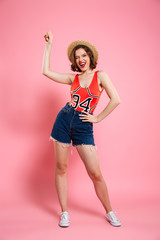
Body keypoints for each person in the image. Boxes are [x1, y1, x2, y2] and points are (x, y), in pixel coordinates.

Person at [42, 30, 121, 228]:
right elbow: (46, 71)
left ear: (90, 56)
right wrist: (49, 46)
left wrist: (97, 118)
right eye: (77, 57)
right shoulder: (73, 79)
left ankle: (109, 211)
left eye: (83, 55)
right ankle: (65, 212)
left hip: (83, 126)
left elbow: (116, 100)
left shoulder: (100, 75)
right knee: (61, 168)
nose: (80, 59)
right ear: (74, 61)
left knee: (95, 173)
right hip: (63, 120)